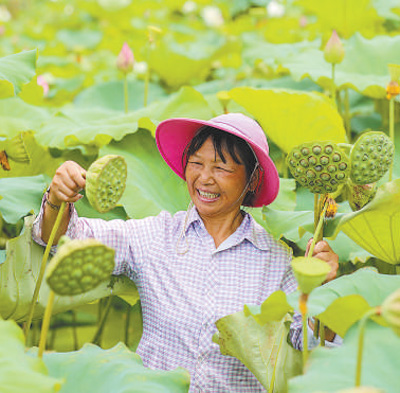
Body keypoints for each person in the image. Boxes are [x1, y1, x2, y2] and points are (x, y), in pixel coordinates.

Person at [32, 113, 339, 392]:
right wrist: (57, 199)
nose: (205, 178)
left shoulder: (279, 261)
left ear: (252, 180)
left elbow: (312, 348)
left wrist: (325, 291)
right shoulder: (156, 236)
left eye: (221, 167)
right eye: (196, 163)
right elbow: (65, 238)